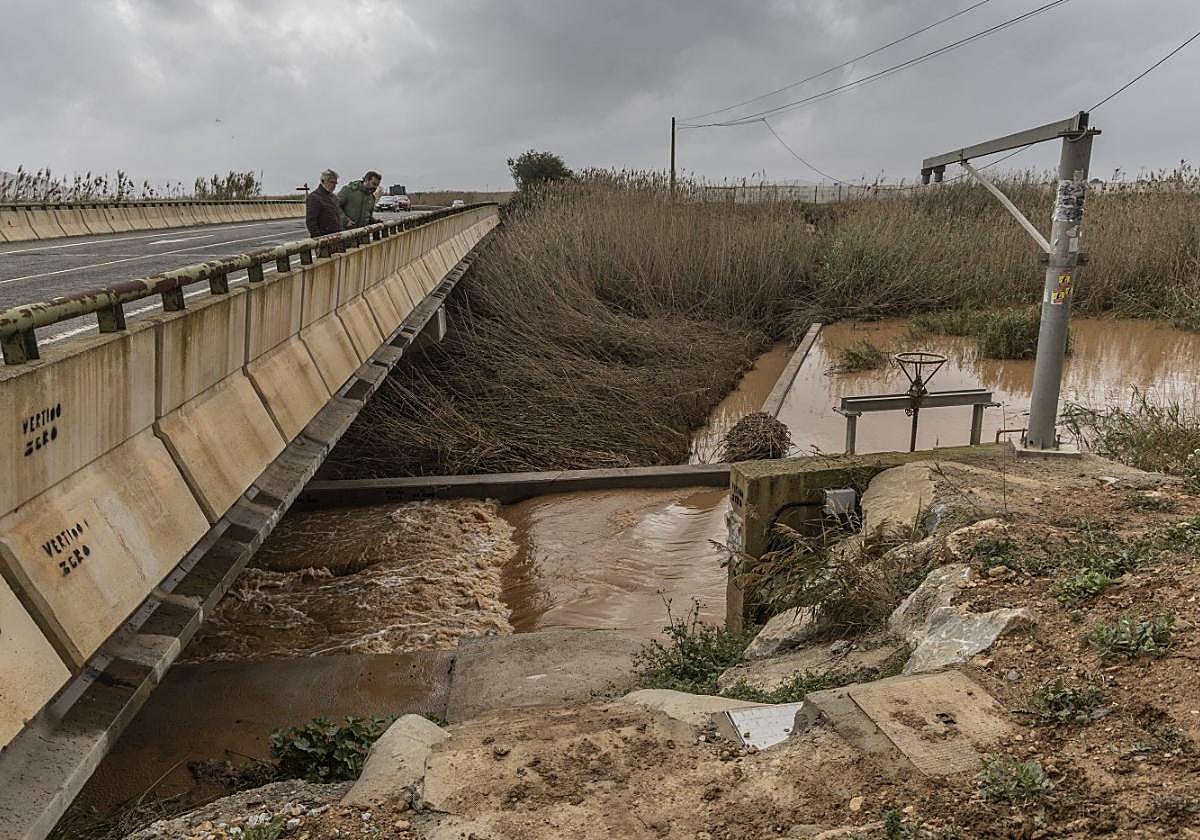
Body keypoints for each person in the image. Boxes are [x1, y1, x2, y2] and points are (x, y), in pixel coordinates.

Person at [305, 169, 342, 237]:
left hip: (336, 237)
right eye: (331, 182)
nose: (334, 185)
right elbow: (311, 222)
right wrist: (319, 239)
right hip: (324, 238)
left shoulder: (334, 197)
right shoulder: (314, 197)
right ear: (323, 181)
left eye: (335, 183)